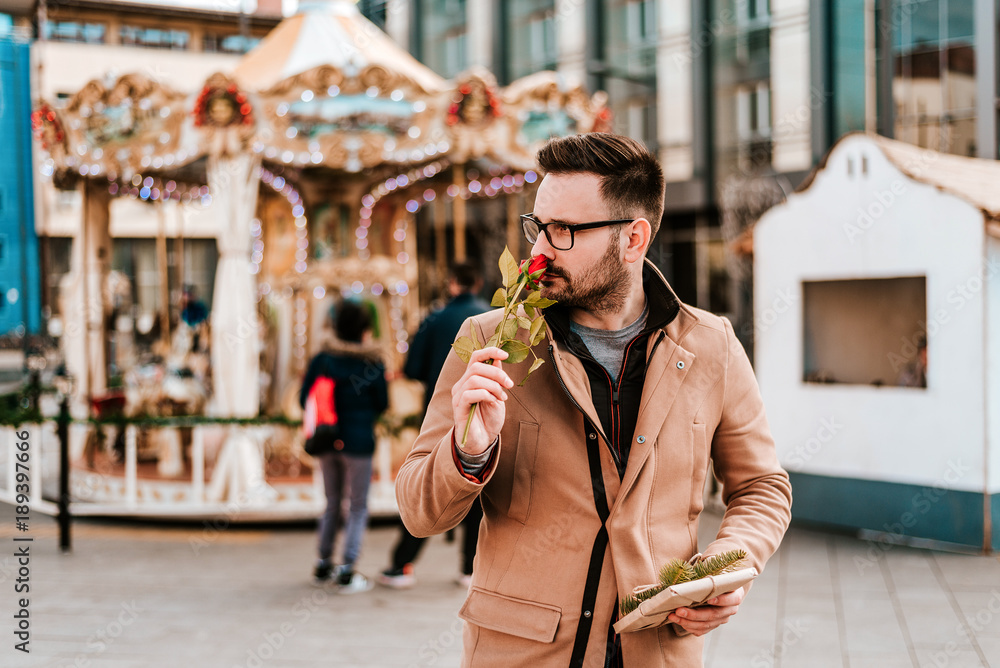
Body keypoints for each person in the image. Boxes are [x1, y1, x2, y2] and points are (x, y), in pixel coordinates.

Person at [395, 133, 792, 666]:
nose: (538, 251)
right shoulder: (489, 341)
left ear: (633, 239)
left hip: (657, 649)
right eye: (538, 227)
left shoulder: (711, 344)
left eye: (565, 231)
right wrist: (468, 452)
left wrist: (723, 568)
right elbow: (420, 513)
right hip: (521, 654)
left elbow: (762, 486)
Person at [379, 262, 490, 589]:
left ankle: (402, 563)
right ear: (479, 282)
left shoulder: (434, 319)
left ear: (452, 283)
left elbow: (412, 368)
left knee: (429, 483)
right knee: (476, 482)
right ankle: (470, 568)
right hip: (484, 412)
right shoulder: (495, 317)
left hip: (442, 411)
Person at [299, 299, 388, 593]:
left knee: (332, 502)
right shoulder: (373, 362)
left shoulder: (323, 359)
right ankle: (348, 569)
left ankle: (323, 563)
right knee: (358, 505)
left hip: (326, 440)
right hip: (359, 443)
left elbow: (304, 398)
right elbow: (382, 403)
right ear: (364, 329)